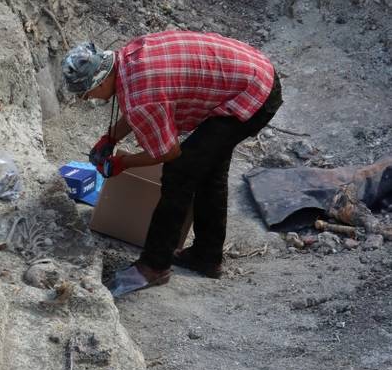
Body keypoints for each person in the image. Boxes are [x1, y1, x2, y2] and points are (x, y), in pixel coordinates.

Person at [62, 30, 282, 298]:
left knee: (180, 171)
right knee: (208, 166)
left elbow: (168, 151)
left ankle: (154, 266)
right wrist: (109, 138)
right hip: (250, 71)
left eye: (87, 93)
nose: (88, 99)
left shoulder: (142, 96)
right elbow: (141, 106)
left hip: (254, 92)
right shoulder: (129, 58)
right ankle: (206, 256)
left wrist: (124, 162)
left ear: (99, 80)